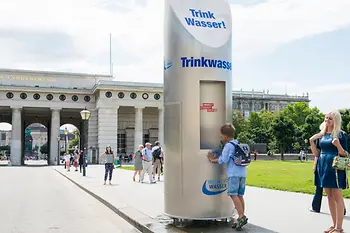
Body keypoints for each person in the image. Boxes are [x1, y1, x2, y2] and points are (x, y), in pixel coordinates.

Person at [310, 110, 348, 233]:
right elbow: (317, 153)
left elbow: (345, 154)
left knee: (337, 196)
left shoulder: (340, 135)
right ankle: (334, 224)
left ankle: (339, 227)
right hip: (323, 166)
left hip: (335, 168)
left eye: (330, 119)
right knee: (329, 197)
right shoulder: (321, 135)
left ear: (335, 121)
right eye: (326, 118)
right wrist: (312, 142)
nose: (327, 121)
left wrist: (338, 145)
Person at [207, 124, 248, 230]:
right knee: (240, 195)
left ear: (225, 136)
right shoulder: (238, 143)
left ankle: (241, 216)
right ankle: (241, 216)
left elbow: (223, 160)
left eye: (221, 135)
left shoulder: (228, 146)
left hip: (233, 174)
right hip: (243, 174)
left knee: (233, 195)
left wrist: (212, 159)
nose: (220, 137)